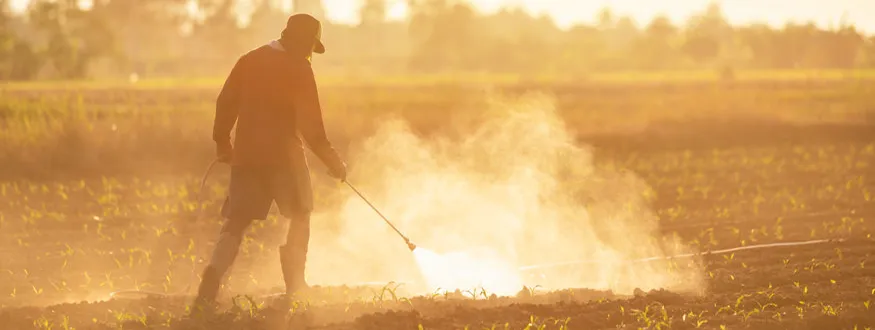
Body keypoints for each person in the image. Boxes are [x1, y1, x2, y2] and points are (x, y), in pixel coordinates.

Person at [194, 13, 347, 305]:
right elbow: (312, 127)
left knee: (237, 221)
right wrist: (333, 162)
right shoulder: (299, 68)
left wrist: (223, 142)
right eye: (310, 46)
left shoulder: (249, 60)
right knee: (300, 214)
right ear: (303, 41)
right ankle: (296, 286)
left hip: (247, 156)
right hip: (285, 159)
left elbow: (225, 102)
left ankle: (211, 281)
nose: (309, 53)